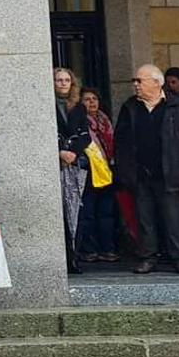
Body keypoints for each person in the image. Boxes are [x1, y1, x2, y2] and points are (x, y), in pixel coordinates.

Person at [115, 64, 179, 275]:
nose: (135, 85)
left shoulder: (177, 106)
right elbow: (121, 141)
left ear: (156, 82)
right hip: (141, 174)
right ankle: (148, 257)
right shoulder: (130, 107)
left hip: (169, 173)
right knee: (145, 219)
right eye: (135, 81)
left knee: (173, 218)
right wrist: (127, 170)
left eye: (139, 81)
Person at [76, 87, 119, 263]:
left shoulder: (104, 120)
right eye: (87, 99)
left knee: (106, 213)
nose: (92, 102)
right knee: (88, 213)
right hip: (89, 170)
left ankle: (107, 248)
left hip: (107, 170)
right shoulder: (79, 120)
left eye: (94, 98)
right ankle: (89, 249)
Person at [55, 67, 90, 274]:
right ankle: (64, 258)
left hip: (75, 164)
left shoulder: (78, 107)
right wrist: (59, 152)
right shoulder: (46, 105)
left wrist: (73, 153)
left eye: (66, 79)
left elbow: (85, 135)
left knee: (75, 211)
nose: (63, 83)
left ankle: (75, 257)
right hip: (55, 163)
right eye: (58, 80)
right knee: (59, 212)